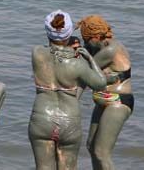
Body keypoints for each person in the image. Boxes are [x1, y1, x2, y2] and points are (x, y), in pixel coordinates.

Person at [28, 10, 106, 170]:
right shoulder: (77, 63)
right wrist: (90, 59)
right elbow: (101, 83)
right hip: (69, 121)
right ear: (69, 33)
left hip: (42, 118)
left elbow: (52, 47)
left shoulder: (36, 53)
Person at [77, 16, 133, 170]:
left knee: (102, 152)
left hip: (118, 102)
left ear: (95, 36)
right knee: (91, 146)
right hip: (105, 102)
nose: (85, 43)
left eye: (87, 40)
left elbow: (85, 72)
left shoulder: (110, 50)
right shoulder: (103, 47)